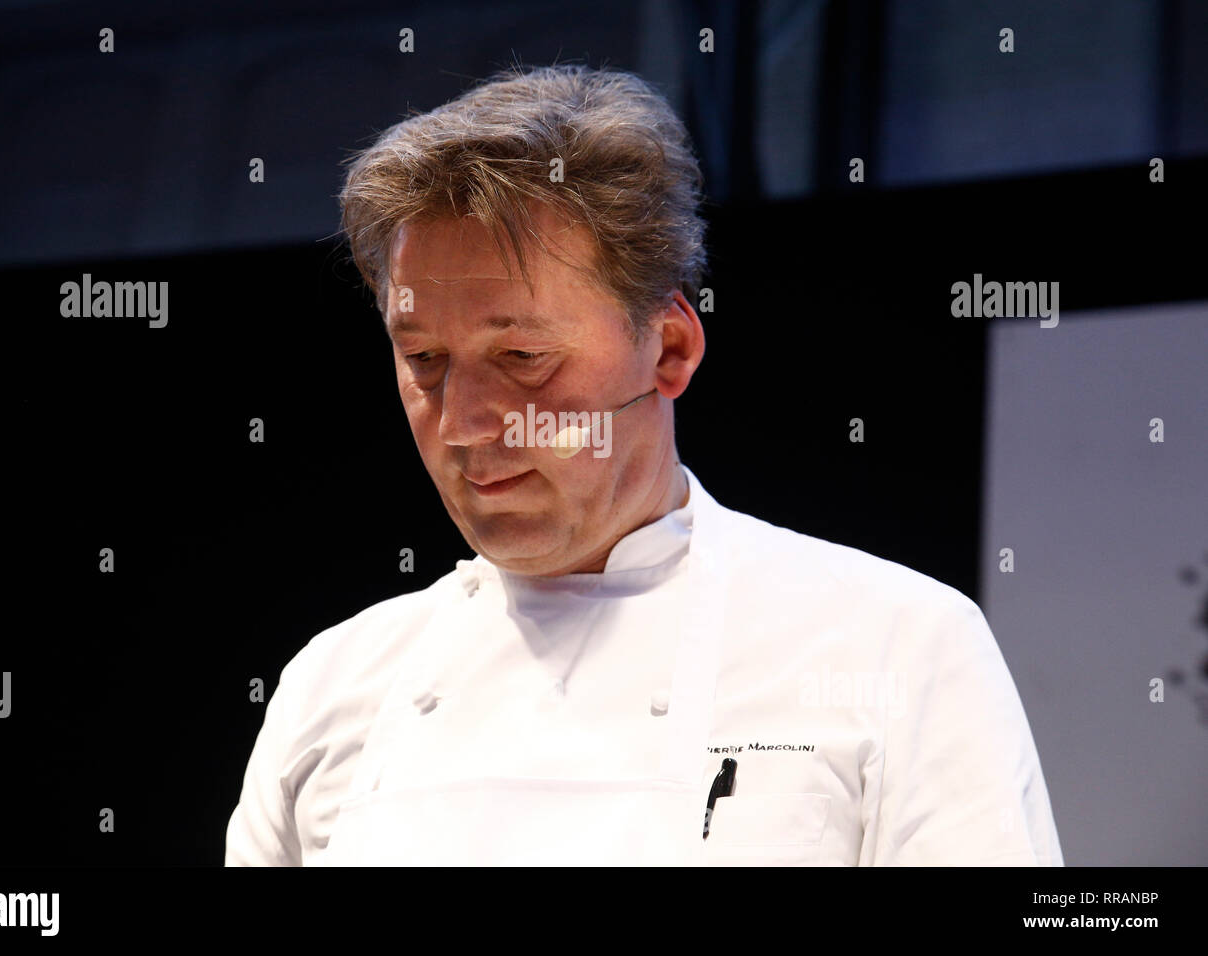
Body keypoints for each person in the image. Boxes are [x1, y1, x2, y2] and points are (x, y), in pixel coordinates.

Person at [224, 63, 1064, 866]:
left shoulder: (893, 646)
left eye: (521, 354)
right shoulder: (331, 688)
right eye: (425, 361)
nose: (466, 422)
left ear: (668, 347)